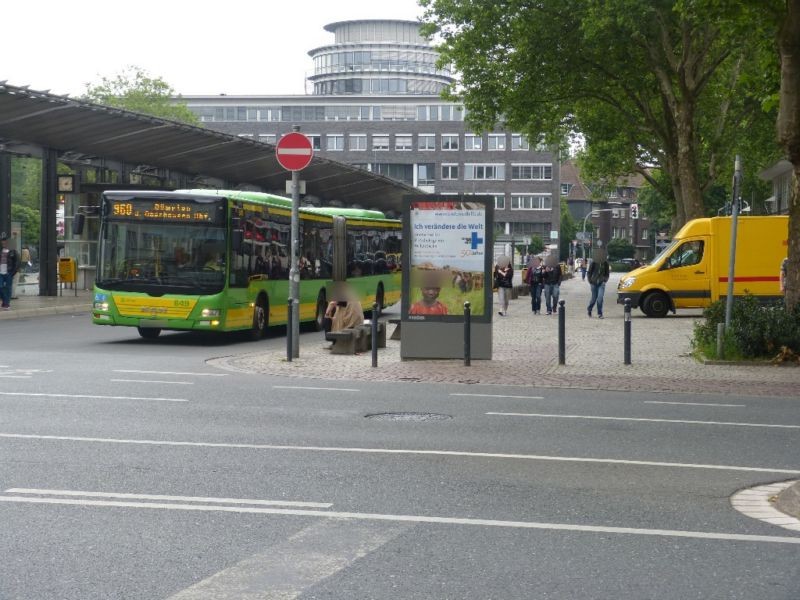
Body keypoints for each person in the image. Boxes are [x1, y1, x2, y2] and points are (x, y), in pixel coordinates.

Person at [587, 251, 610, 318]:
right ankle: (589, 309)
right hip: (593, 283)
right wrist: (590, 281)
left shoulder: (605, 263)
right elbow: (589, 272)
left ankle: (600, 313)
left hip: (601, 283)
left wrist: (604, 280)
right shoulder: (594, 263)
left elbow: (607, 274)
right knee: (593, 299)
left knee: (600, 298)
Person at [0, 233, 19, 310]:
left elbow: (17, 262)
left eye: (5, 241)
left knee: (8, 288)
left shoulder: (13, 251)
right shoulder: (0, 250)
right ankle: (5, 302)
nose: (3, 243)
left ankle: (6, 304)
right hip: (0, 273)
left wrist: (12, 273)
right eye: (2, 241)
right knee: (0, 287)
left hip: (8, 273)